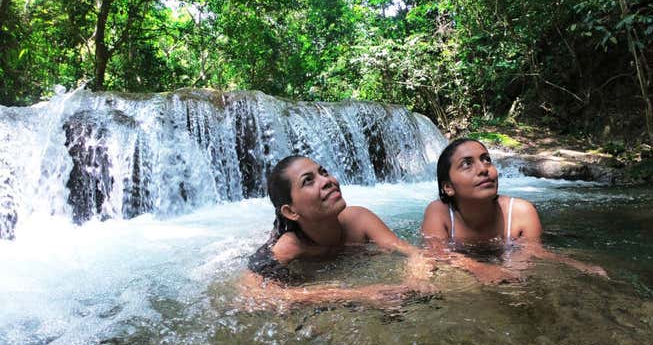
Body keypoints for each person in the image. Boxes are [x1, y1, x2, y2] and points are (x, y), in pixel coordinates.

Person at [239, 155, 434, 311]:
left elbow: (411, 251)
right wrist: (358, 295)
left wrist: (416, 280)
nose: (327, 181)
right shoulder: (289, 246)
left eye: (323, 172)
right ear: (291, 212)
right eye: (308, 181)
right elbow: (251, 293)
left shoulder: (360, 219)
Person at [421, 138, 607, 277]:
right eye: (467, 164)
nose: (483, 169)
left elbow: (534, 253)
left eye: (486, 159)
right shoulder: (439, 213)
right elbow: (437, 254)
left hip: (503, 249)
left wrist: (578, 266)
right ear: (448, 187)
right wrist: (480, 268)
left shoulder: (521, 212)